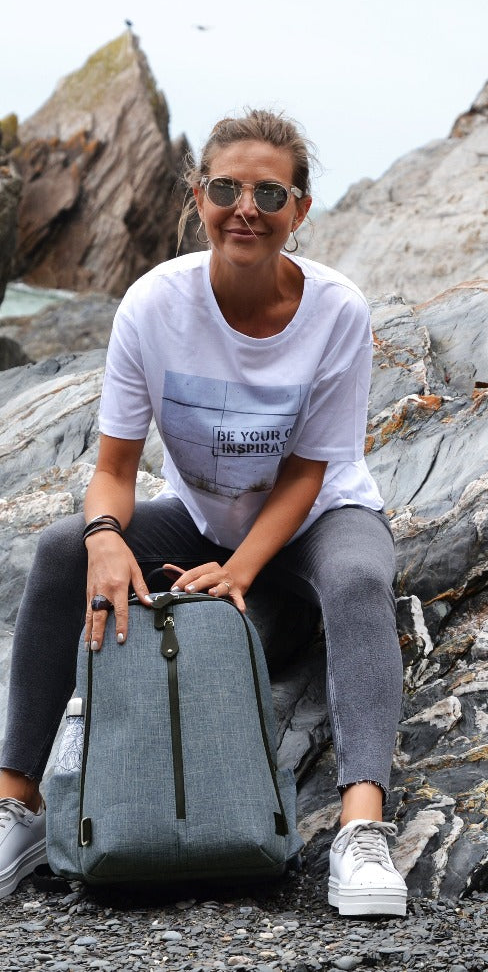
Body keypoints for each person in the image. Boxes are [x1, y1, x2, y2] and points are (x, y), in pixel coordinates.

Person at [0, 109, 407, 916]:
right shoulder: (153, 307)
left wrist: (243, 569)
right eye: (225, 187)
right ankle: (19, 807)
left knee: (361, 579)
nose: (245, 206)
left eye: (269, 191)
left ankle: (363, 833)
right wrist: (106, 536)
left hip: (318, 517)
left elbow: (308, 471)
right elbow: (115, 468)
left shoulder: (337, 310)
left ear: (301, 208)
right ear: (196, 195)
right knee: (57, 553)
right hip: (197, 516)